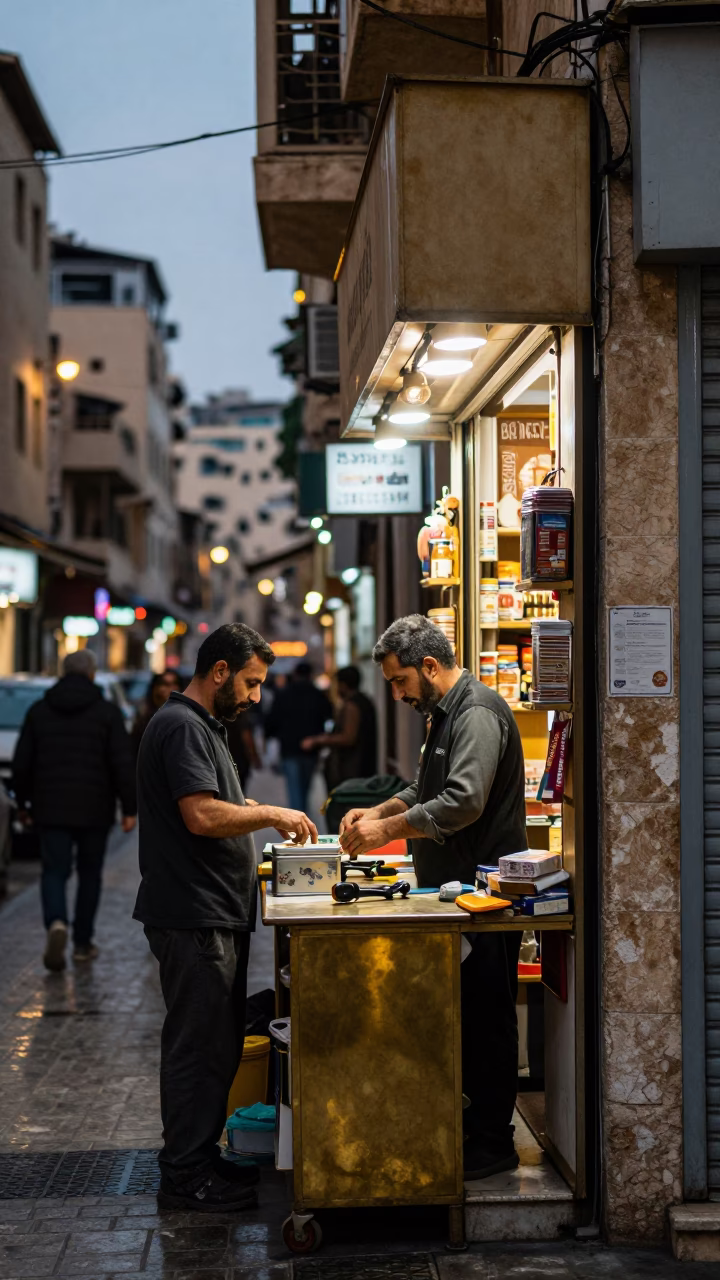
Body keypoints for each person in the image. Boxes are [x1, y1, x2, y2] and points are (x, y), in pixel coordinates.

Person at [133, 623, 317, 1212]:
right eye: (251, 683)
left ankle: (199, 1156)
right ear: (219, 673)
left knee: (216, 1045)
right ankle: (184, 1176)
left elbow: (222, 809)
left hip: (212, 912)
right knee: (197, 1047)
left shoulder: (201, 725)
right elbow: (203, 816)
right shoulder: (183, 726)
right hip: (193, 915)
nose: (257, 696)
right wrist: (269, 813)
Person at [338, 614, 527, 1181]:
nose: (396, 694)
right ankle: (468, 1131)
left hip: (484, 899)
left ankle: (492, 1145)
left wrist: (387, 833)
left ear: (428, 666)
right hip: (454, 898)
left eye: (400, 682)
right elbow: (426, 790)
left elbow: (464, 801)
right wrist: (376, 813)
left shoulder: (475, 713)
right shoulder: (443, 714)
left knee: (488, 1020)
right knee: (465, 1019)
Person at [12, 648, 137, 972]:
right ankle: (82, 943)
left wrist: (23, 803)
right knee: (89, 874)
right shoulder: (107, 713)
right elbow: (122, 763)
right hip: (94, 808)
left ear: (62, 673)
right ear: (92, 674)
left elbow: (22, 762)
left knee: (54, 871)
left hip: (49, 807)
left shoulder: (39, 711)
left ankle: (56, 921)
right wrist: (129, 807)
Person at [264, 661, 333, 812]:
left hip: (289, 749)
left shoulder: (283, 694)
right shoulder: (318, 695)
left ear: (295, 675)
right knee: (305, 788)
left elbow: (271, 722)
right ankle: (302, 820)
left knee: (295, 790)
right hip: (311, 750)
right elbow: (329, 717)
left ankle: (299, 824)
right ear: (310, 675)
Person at [301, 664, 377, 790]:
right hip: (360, 771)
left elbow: (348, 738)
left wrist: (318, 740)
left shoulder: (352, 705)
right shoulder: (364, 701)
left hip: (351, 773)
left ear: (343, 685)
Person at [131, 670, 182, 755]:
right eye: (165, 684)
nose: (171, 689)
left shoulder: (186, 717)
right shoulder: (145, 717)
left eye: (174, 684)